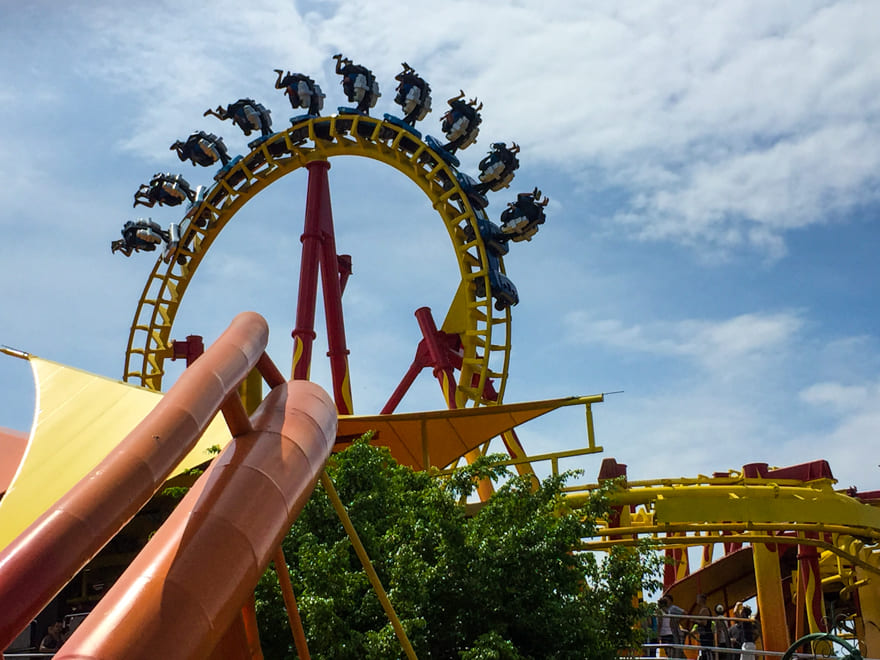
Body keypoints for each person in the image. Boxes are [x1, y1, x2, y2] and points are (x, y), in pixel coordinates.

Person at [692, 594, 714, 660]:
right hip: (703, 634)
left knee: (707, 652)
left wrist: (694, 620)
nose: (697, 600)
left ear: (702, 599)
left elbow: (704, 623)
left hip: (706, 634)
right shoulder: (702, 609)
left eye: (698, 598)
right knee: (704, 651)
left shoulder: (704, 610)